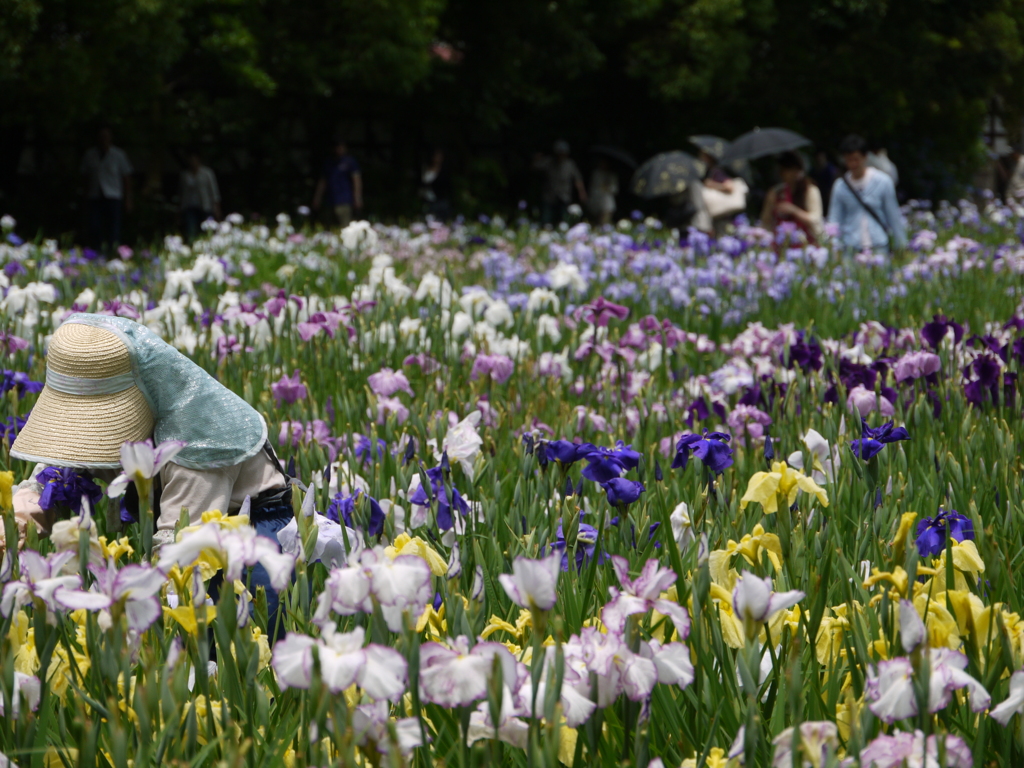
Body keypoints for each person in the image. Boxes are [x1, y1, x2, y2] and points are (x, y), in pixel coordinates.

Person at [9, 315, 293, 634]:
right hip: (181, 527)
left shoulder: (201, 438)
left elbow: (180, 548)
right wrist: (14, 527)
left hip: (247, 537)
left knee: (228, 648)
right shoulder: (108, 415)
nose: (86, 429)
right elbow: (53, 479)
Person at [828, 134, 906, 252]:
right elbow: (834, 219)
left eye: (856, 159)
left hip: (878, 245)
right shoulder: (840, 186)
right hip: (851, 247)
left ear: (865, 157)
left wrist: (901, 246)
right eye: (849, 160)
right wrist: (833, 247)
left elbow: (893, 216)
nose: (853, 164)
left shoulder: (883, 181)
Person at [80, 126, 133, 251]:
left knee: (113, 227)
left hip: (113, 195)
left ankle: (112, 251)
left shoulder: (118, 155)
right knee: (94, 226)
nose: (104, 139)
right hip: (95, 196)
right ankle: (96, 251)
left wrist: (128, 199)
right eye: (101, 136)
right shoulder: (90, 155)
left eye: (106, 136)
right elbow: (85, 177)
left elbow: (126, 177)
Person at [760, 151, 823, 244]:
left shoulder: (810, 190)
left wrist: (793, 210)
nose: (783, 173)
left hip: (806, 243)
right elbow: (766, 221)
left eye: (787, 170)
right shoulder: (775, 192)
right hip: (781, 243)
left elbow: (815, 219)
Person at [533, 141, 587, 225]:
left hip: (564, 195)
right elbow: (535, 167)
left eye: (563, 153)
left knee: (564, 219)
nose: (561, 155)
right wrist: (536, 158)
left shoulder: (570, 164)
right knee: (546, 219)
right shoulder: (549, 162)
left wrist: (582, 192)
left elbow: (578, 179)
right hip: (550, 195)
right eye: (559, 152)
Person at [313, 137, 363, 227]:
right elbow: (323, 182)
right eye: (337, 147)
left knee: (345, 227)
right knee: (328, 228)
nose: (339, 149)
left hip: (345, 201)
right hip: (330, 200)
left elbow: (356, 180)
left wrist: (357, 198)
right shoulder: (328, 163)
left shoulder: (350, 162)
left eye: (341, 147)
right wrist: (317, 198)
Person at [179, 150, 222, 241]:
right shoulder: (185, 175)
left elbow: (214, 191)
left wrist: (217, 207)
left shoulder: (207, 173)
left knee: (207, 231)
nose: (192, 162)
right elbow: (182, 193)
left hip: (205, 206)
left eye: (194, 159)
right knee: (191, 230)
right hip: (190, 206)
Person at [420, 147, 453, 220]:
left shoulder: (444, 171)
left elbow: (446, 186)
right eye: (436, 156)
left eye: (439, 156)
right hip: (426, 200)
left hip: (439, 201)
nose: (437, 158)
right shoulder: (425, 168)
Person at [588, 157, 618, 225]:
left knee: (605, 223)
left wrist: (608, 187)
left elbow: (615, 189)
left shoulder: (611, 176)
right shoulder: (596, 174)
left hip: (607, 204)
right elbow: (593, 187)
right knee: (597, 223)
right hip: (597, 202)